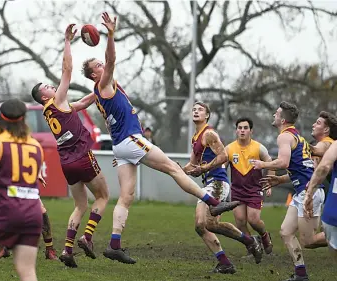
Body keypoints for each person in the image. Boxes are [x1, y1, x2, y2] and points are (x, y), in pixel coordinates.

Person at [80, 12, 239, 264]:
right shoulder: (104, 83)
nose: (102, 65)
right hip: (131, 140)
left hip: (121, 147)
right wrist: (110, 34)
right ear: (93, 75)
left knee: (126, 196)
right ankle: (213, 202)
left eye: (100, 64)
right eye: (97, 66)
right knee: (174, 169)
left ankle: (114, 244)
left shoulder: (96, 92)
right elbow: (111, 58)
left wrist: (59, 105)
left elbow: (79, 104)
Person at [31, 24, 109, 268]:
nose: (51, 86)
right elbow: (67, 69)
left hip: (66, 163)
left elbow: (84, 102)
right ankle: (87, 237)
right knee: (103, 196)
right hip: (83, 157)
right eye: (46, 87)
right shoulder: (57, 99)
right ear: (44, 96)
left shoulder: (53, 109)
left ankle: (66, 250)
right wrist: (67, 41)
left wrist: (102, 86)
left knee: (80, 204)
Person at [181, 102, 263, 273]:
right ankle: (230, 258)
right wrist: (174, 169)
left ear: (207, 115)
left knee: (205, 223)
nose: (196, 111)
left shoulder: (209, 133)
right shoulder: (195, 137)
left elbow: (223, 156)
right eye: (194, 109)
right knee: (203, 225)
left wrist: (204, 168)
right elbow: (192, 165)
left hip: (217, 183)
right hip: (209, 185)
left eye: (200, 110)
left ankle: (247, 244)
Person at [253, 101, 325, 281]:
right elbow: (302, 170)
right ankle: (301, 274)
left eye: (276, 113)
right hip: (304, 191)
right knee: (285, 231)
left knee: (309, 240)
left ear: (283, 119)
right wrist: (280, 179)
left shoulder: (284, 137)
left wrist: (263, 164)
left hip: (310, 192)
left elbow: (283, 163)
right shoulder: (297, 137)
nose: (273, 116)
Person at [0, 98, 44, 281]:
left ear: (0, 118)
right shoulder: (35, 145)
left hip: (6, 212)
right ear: (24, 119)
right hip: (32, 213)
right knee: (26, 270)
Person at [0, 123, 58, 260]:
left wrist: (37, 172)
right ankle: (1, 246)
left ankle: (50, 249)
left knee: (41, 211)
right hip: (3, 179)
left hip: (22, 179)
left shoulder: (23, 131)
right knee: (4, 212)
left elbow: (30, 153)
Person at [226, 117, 274, 255]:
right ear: (236, 131)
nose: (242, 130)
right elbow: (222, 166)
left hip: (254, 190)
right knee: (240, 222)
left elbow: (270, 162)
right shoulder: (229, 148)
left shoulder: (259, 148)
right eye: (239, 128)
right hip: (237, 190)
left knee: (253, 220)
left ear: (251, 131)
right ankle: (252, 246)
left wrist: (269, 182)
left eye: (245, 128)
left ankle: (264, 236)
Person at [304, 141, 337, 259]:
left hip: (332, 212)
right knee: (308, 242)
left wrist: (309, 194)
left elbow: (323, 167)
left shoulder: (334, 144)